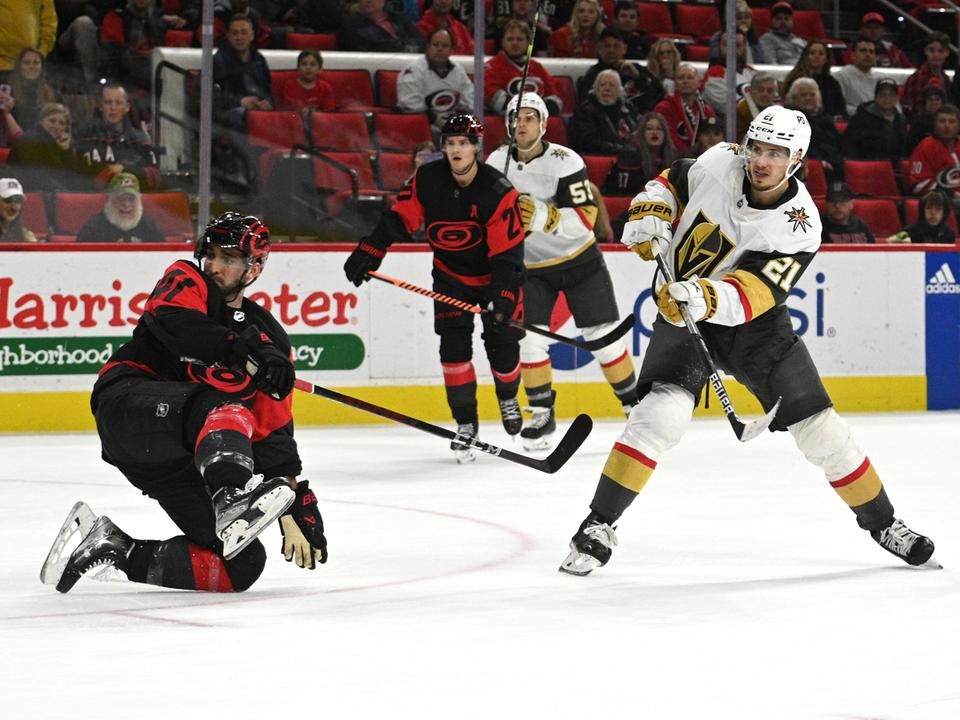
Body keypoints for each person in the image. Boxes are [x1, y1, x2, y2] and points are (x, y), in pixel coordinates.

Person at [559, 105, 936, 576]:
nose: (761, 160)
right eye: (757, 147)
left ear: (796, 159)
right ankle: (597, 525)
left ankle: (884, 524)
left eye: (775, 153)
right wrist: (651, 211)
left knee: (824, 432)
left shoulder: (800, 225)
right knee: (660, 417)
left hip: (754, 328)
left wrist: (703, 294)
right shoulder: (720, 161)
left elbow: (758, 292)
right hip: (682, 313)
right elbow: (674, 179)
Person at [42, 212, 327, 594]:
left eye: (227, 259)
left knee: (241, 563)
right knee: (222, 406)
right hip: (127, 404)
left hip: (172, 461)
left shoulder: (270, 339)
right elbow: (176, 324)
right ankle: (231, 496)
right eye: (210, 254)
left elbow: (272, 430)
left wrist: (293, 501)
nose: (213, 265)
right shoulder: (186, 280)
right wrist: (241, 348)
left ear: (254, 267)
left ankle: (112, 548)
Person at [342, 114, 526, 463]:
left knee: (503, 347)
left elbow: (507, 254)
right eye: (450, 143)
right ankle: (466, 424)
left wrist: (502, 298)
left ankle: (507, 396)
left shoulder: (497, 190)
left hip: (497, 280)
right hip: (450, 277)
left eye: (463, 143)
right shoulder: (427, 178)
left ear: (476, 147)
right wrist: (371, 249)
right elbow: (400, 217)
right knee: (453, 352)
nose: (456, 149)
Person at [488, 94, 638, 449]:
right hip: (532, 268)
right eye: (516, 117)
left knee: (604, 339)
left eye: (530, 117)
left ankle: (635, 408)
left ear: (543, 125)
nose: (522, 123)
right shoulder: (496, 162)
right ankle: (542, 414)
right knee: (530, 341)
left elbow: (586, 218)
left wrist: (545, 215)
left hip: (579, 260)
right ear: (509, 124)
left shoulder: (564, 161)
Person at [74, 82, 161, 190]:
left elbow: (154, 176)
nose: (113, 108)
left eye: (118, 103)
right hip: (91, 198)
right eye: (108, 102)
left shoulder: (139, 140)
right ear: (100, 106)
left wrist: (124, 168)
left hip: (129, 200)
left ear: (127, 107)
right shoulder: (82, 134)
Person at [397, 27, 474, 136]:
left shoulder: (458, 71)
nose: (439, 49)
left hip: (452, 122)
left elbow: (469, 101)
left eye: (444, 46)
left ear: (452, 50)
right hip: (424, 125)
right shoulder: (413, 70)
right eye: (435, 44)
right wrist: (437, 121)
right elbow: (410, 104)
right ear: (428, 47)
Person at [578, 27, 663, 117]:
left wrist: (639, 77)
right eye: (607, 46)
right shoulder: (592, 75)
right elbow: (585, 107)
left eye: (616, 46)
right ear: (599, 48)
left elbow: (659, 94)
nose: (612, 50)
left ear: (624, 49)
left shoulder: (636, 70)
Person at [485, 19, 563, 116]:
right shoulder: (491, 67)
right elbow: (495, 99)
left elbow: (555, 98)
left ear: (528, 42)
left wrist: (538, 113)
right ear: (502, 42)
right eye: (510, 39)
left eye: (520, 39)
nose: (515, 43)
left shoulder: (537, 67)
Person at [212, 14, 273, 132]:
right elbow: (209, 96)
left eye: (244, 32)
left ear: (252, 35)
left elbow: (268, 89)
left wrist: (268, 102)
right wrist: (240, 102)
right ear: (228, 36)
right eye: (235, 33)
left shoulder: (259, 59)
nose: (239, 37)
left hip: (259, 113)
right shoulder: (218, 61)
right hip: (231, 115)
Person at [8, 102, 84, 192]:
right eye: (52, 120)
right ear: (41, 120)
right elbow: (36, 176)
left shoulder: (61, 145)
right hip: (24, 194)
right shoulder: (29, 140)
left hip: (51, 194)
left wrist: (66, 152)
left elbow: (71, 177)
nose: (56, 126)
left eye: (62, 123)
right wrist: (65, 193)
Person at [99, 0, 169, 93]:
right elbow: (115, 56)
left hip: (155, 73)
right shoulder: (116, 17)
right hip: (128, 76)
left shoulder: (160, 19)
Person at [603, 111, 677, 198]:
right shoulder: (631, 155)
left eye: (659, 129)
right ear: (642, 133)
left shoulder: (672, 158)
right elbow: (624, 191)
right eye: (649, 129)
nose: (654, 132)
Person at [76, 172, 164, 243]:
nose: (126, 204)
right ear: (110, 200)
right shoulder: (92, 229)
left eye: (131, 198)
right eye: (121, 198)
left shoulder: (149, 227)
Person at [571, 69, 638, 155]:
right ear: (595, 89)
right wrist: (623, 150)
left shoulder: (628, 108)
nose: (607, 88)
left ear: (619, 91)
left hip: (630, 155)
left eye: (612, 85)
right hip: (601, 157)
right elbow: (589, 143)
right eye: (603, 85)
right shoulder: (585, 111)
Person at [842, 77, 908, 164]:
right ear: (876, 97)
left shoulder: (902, 120)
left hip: (894, 168)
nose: (887, 99)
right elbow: (849, 147)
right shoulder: (860, 119)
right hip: (866, 166)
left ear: (897, 98)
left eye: (891, 95)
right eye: (882, 95)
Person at [654, 63, 715, 156]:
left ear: (698, 83)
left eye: (690, 77)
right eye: (680, 78)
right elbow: (670, 141)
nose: (685, 81)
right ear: (675, 83)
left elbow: (714, 138)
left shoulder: (707, 111)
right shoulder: (664, 108)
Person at [782, 40, 847, 121]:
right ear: (805, 56)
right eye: (812, 53)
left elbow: (840, 108)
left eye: (821, 53)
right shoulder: (795, 79)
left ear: (826, 59)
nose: (816, 56)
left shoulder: (832, 82)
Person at [905, 104, 960, 199]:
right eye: (942, 121)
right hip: (940, 203)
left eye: (952, 122)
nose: (947, 126)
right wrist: (951, 194)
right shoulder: (926, 146)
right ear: (935, 125)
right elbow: (917, 185)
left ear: (959, 125)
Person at [7, 47, 61, 134]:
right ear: (19, 66)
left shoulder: (54, 95)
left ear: (42, 67)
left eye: (36, 63)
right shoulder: (7, 93)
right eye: (26, 63)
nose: (31, 66)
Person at [337, 0, 425, 54]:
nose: (368, 1)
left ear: (383, 1)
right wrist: (398, 47)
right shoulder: (350, 25)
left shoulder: (399, 19)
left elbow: (419, 41)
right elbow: (358, 50)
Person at [702, 31, 755, 117]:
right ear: (719, 47)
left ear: (744, 48)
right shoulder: (714, 74)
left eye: (737, 45)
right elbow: (728, 109)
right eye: (726, 44)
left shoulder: (752, 72)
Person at [834, 36, 889, 118]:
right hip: (854, 121)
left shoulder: (882, 78)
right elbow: (839, 106)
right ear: (853, 55)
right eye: (863, 51)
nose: (868, 54)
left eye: (871, 52)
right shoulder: (841, 76)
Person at [903, 33, 954, 120]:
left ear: (947, 52)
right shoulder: (916, 78)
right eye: (932, 50)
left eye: (940, 51)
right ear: (925, 51)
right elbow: (916, 113)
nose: (936, 55)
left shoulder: (946, 78)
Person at [273, 48, 334, 116]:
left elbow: (328, 113)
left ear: (320, 69)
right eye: (304, 64)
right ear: (298, 68)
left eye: (313, 64)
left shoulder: (325, 87)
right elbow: (288, 112)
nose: (308, 67)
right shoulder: (289, 86)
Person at [842, 12, 913, 70]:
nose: (873, 31)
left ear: (884, 30)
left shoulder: (892, 49)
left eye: (877, 27)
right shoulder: (853, 49)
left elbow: (909, 69)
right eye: (868, 27)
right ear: (861, 30)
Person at [888, 189, 956, 244]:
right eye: (929, 208)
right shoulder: (911, 231)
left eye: (938, 209)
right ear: (922, 210)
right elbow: (890, 240)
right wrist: (905, 242)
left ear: (944, 212)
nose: (933, 212)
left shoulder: (949, 234)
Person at [709, 0, 764, 65]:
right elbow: (716, 58)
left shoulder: (754, 38)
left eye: (747, 17)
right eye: (739, 18)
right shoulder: (718, 37)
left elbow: (761, 62)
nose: (744, 21)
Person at [758, 2, 806, 67]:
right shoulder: (767, 39)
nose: (783, 22)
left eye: (787, 18)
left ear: (792, 21)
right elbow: (771, 65)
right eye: (778, 18)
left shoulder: (798, 40)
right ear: (772, 21)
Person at [736, 72, 780, 140]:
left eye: (770, 91)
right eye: (760, 90)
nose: (765, 94)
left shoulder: (779, 112)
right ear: (751, 91)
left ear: (774, 94)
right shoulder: (740, 110)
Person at [0, 177, 38, 242]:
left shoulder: (20, 232)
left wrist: (32, 245)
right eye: (8, 200)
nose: (14, 207)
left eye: (18, 201)